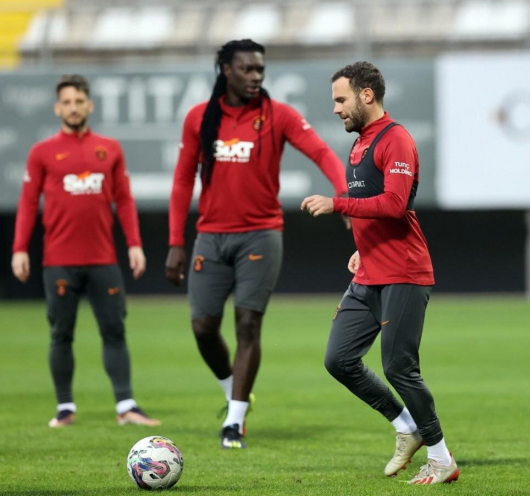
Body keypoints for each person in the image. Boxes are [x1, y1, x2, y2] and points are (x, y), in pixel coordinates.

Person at [165, 39, 348, 449]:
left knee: (247, 324)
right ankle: (234, 389)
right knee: (202, 328)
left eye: (260, 70)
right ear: (225, 70)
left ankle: (234, 421)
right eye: (246, 69)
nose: (255, 76)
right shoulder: (199, 117)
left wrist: (343, 195)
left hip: (261, 234)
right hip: (210, 237)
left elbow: (322, 153)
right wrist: (176, 242)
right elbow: (182, 179)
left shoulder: (279, 115)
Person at [300, 62, 459, 485]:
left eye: (341, 99)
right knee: (339, 360)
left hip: (404, 272)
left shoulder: (396, 139)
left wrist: (337, 203)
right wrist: (362, 246)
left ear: (366, 94)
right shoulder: (359, 145)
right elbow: (374, 212)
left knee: (399, 367)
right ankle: (406, 425)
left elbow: (394, 204)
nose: (336, 109)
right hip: (369, 272)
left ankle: (441, 458)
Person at [11, 74, 160, 428]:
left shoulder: (110, 148)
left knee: (114, 331)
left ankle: (126, 405)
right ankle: (65, 408)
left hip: (103, 260)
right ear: (57, 108)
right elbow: (28, 203)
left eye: (79, 101)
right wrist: (20, 249)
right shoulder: (42, 152)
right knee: (61, 334)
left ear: (90, 105)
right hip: (59, 262)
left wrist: (135, 244)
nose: (73, 108)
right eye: (67, 102)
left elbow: (124, 200)